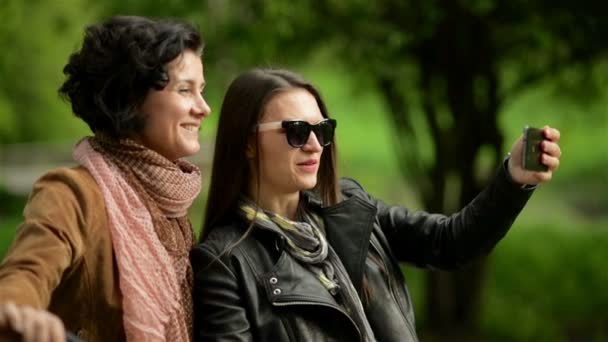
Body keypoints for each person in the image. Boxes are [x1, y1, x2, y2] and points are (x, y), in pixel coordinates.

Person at [191, 68, 562, 341]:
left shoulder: (348, 205)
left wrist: (514, 179)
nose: (315, 145)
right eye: (296, 131)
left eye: (323, 131)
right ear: (248, 143)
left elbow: (451, 243)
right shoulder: (225, 262)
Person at [0, 15, 211, 341]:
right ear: (131, 99)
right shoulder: (71, 193)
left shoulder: (172, 206)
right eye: (185, 90)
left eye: (202, 91)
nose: (204, 108)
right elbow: (25, 274)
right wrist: (20, 312)